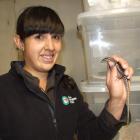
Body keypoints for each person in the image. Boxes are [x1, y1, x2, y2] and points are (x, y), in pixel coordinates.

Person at [0, 6, 133, 140]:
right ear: (19, 42)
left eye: (56, 37)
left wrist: (117, 99)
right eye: (39, 37)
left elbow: (92, 135)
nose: (51, 47)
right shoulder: (3, 90)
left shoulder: (67, 85)